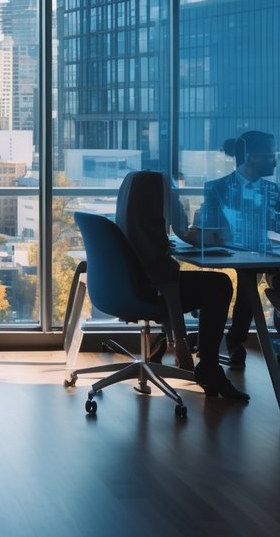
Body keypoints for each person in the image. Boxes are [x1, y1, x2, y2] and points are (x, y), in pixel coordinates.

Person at [116, 171, 248, 401]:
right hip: (147, 294)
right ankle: (209, 367)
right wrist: (179, 341)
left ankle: (199, 360)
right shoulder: (150, 247)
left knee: (208, 283)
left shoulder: (132, 224)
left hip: (128, 291)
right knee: (220, 284)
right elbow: (168, 286)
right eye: (170, 195)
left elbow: (166, 280)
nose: (173, 199)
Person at [185, 130, 280, 368]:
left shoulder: (270, 190)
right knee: (247, 281)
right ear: (251, 158)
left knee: (254, 279)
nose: (275, 161)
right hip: (227, 248)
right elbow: (207, 226)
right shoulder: (217, 187)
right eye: (270, 156)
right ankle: (233, 340)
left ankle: (232, 339)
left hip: (259, 251)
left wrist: (265, 209)